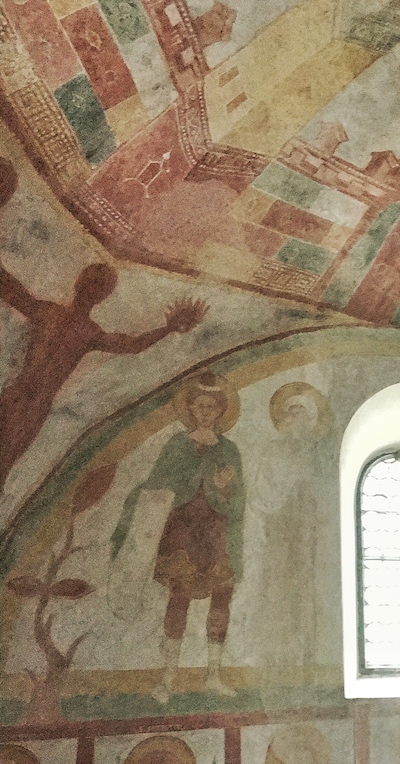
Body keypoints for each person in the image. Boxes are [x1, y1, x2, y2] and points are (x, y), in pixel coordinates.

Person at [0, 156, 207, 486]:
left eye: (96, 284)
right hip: (21, 400)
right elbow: (6, 285)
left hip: (26, 404)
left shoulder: (64, 321)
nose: (89, 287)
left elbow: (133, 346)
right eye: (91, 280)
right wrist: (169, 328)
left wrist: (169, 328)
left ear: (91, 291)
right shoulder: (67, 322)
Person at [111, 372, 245, 701]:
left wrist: (226, 490)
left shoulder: (230, 450)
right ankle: (167, 678)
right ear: (190, 408)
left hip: (217, 534)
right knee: (179, 598)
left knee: (221, 598)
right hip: (183, 531)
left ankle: (213, 674)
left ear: (220, 411)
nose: (204, 412)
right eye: (198, 406)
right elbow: (157, 484)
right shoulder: (176, 444)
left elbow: (240, 500)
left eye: (211, 407)